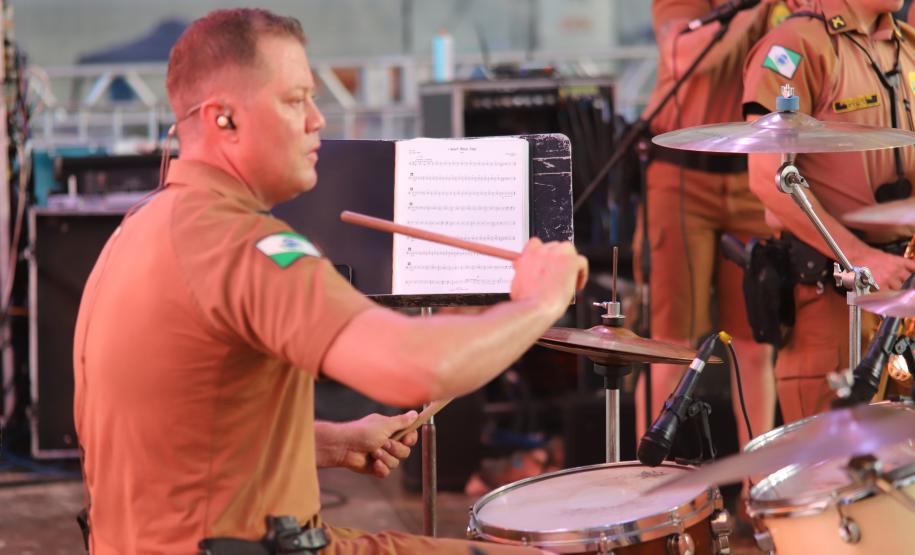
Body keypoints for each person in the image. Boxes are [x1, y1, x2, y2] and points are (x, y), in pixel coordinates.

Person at [72, 8, 586, 555]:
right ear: (225, 119)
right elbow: (416, 368)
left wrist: (324, 444)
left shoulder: (140, 227)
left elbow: (174, 436)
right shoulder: (245, 247)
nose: (318, 120)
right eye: (296, 100)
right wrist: (538, 300)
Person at [743, 0, 915, 422]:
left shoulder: (907, 44)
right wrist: (860, 256)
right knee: (830, 472)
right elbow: (767, 177)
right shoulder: (795, 45)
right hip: (832, 292)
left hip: (902, 286)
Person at [634, 0, 796, 448]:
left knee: (755, 342)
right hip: (681, 174)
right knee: (670, 341)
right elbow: (683, 55)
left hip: (753, 175)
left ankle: (756, 494)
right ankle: (654, 496)